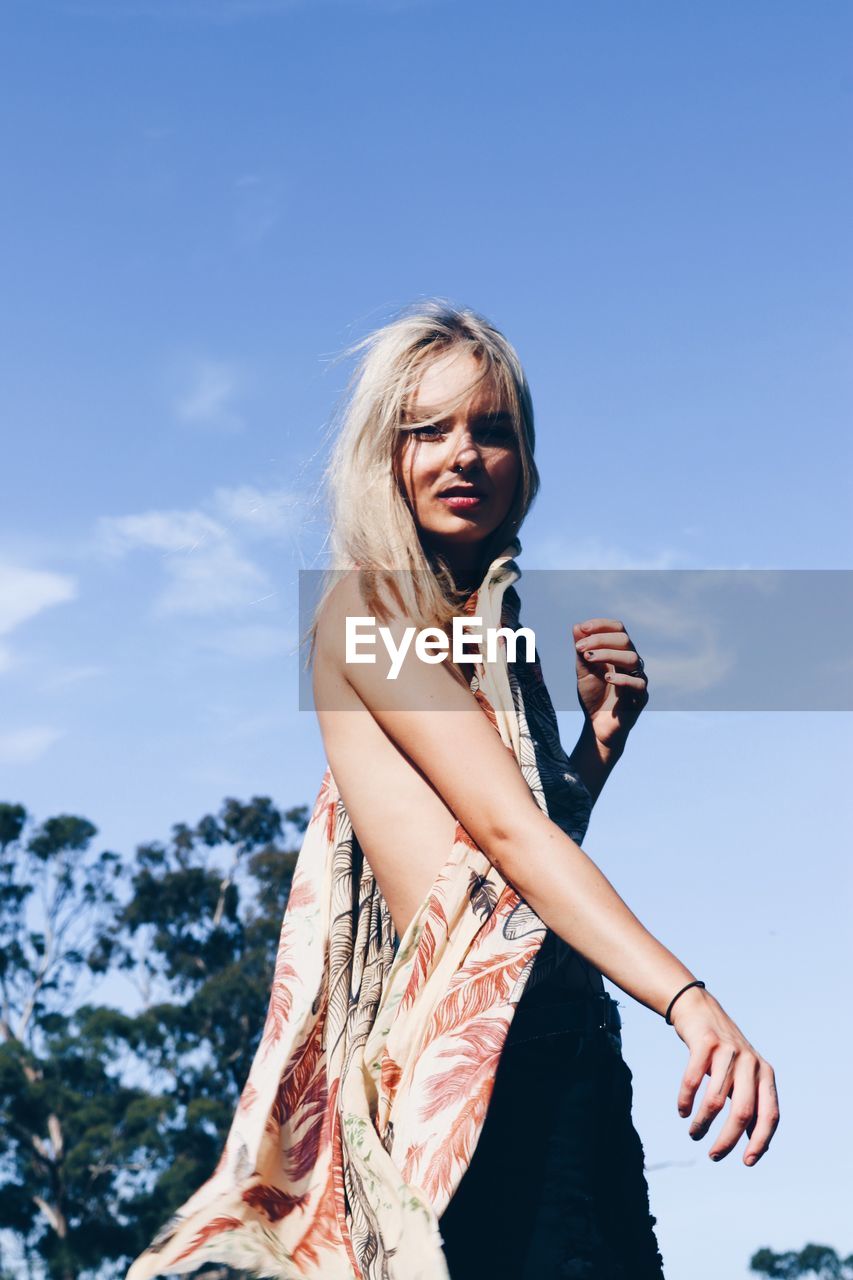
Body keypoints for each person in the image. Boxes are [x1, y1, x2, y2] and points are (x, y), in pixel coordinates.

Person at [124, 301, 779, 1280]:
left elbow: (484, 877)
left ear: (525, 457)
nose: (462, 454)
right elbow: (511, 838)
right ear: (382, 457)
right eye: (427, 429)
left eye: (492, 428)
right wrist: (687, 997)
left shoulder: (490, 633)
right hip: (475, 1092)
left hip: (572, 1062)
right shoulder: (367, 610)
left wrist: (594, 749)